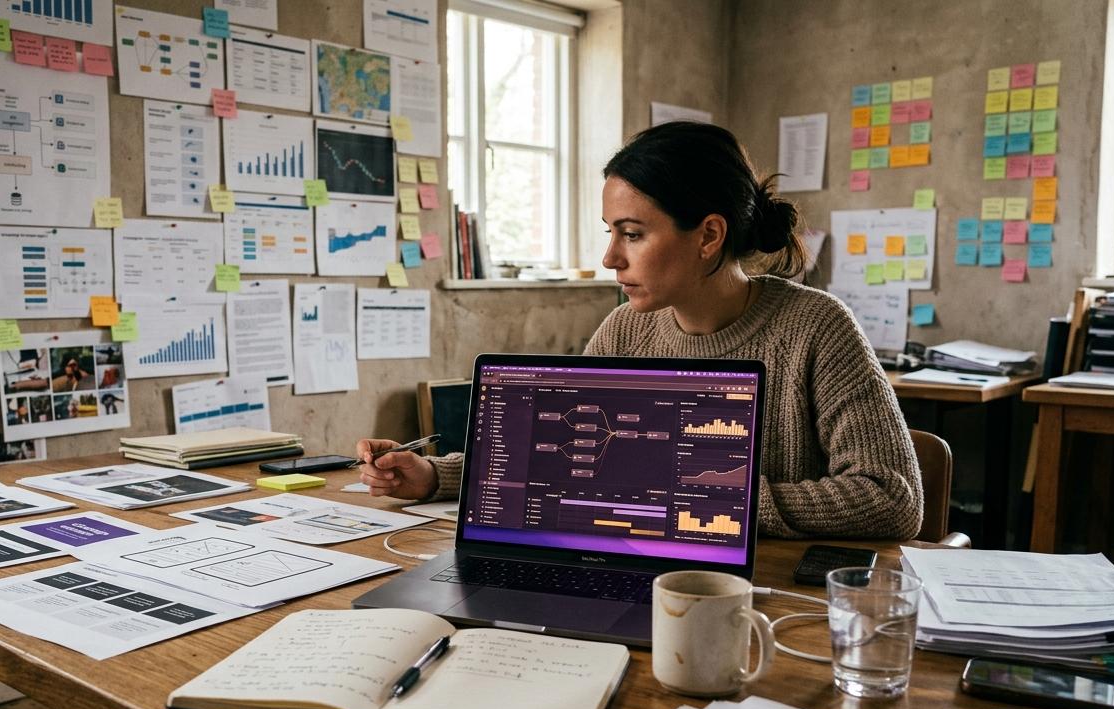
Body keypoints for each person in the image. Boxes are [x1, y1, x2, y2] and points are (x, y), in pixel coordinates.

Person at [357, 121, 923, 540]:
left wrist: (706, 504)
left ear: (708, 236)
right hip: (638, 567)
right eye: (610, 232)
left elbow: (891, 498)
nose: (610, 258)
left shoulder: (817, 328)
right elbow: (554, 458)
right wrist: (433, 476)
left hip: (762, 602)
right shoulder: (624, 332)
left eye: (631, 234)